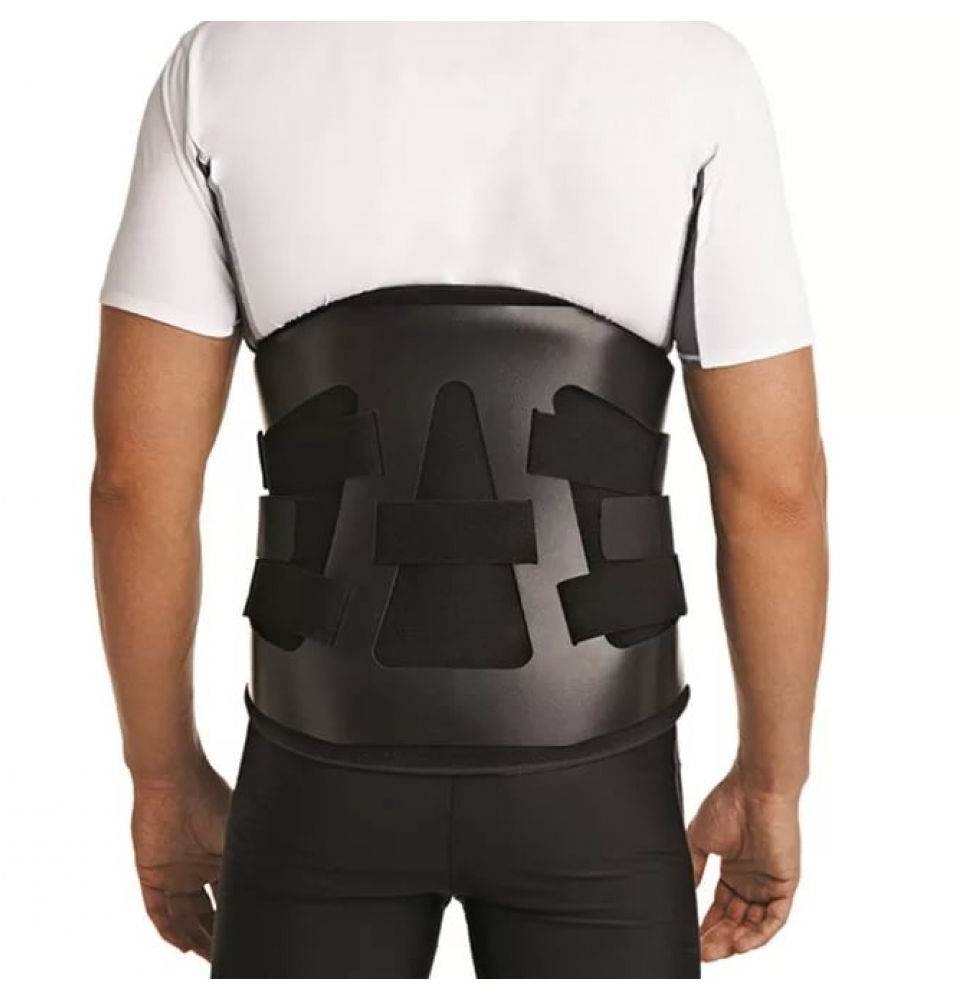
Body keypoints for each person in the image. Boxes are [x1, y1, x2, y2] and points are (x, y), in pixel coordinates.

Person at [91, 22, 827, 979]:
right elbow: (776, 491)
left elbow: (136, 482)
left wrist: (161, 778)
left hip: (318, 775)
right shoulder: (691, 65)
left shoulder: (224, 61)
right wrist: (772, 786)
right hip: (597, 784)